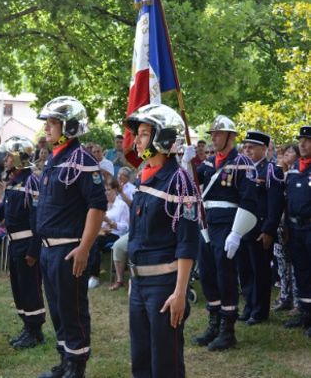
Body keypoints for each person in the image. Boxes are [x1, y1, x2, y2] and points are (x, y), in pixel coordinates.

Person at [124, 104, 199, 378]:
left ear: (162, 138)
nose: (137, 140)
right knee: (141, 358)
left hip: (164, 285)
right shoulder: (143, 177)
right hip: (140, 283)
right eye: (138, 134)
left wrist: (180, 293)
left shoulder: (180, 183)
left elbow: (188, 243)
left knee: (165, 362)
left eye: (144, 133)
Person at [36, 96, 107, 378]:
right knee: (57, 309)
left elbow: (97, 205)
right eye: (48, 123)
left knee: (73, 310)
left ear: (70, 126)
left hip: (68, 250)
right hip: (47, 250)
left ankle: (76, 368)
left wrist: (84, 247)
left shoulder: (82, 160)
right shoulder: (55, 158)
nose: (47, 128)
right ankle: (65, 361)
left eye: (53, 123)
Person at [184, 115, 257, 351]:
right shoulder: (208, 163)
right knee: (207, 273)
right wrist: (187, 165)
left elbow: (249, 201)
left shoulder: (243, 163)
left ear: (230, 137)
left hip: (227, 225)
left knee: (225, 275)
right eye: (212, 134)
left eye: (218, 133)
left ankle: (228, 330)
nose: (213, 138)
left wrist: (236, 233)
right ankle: (214, 323)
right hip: (206, 225)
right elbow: (192, 189)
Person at [0, 137, 46, 349]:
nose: (5, 159)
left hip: (27, 244)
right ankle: (27, 327)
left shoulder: (31, 182)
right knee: (19, 288)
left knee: (30, 288)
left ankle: (35, 330)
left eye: (8, 156)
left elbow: (37, 219)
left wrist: (33, 250)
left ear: (19, 158)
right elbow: (4, 211)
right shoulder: (14, 182)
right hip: (14, 244)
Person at [237, 131, 284, 325]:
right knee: (245, 271)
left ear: (264, 149)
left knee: (260, 271)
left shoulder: (272, 170)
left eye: (252, 147)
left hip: (259, 229)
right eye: (245, 147)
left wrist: (269, 230)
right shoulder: (240, 169)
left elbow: (275, 204)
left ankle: (260, 310)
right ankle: (249, 306)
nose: (247, 150)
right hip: (242, 228)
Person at [283, 126, 311, 337]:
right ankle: (305, 312)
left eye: (307, 140)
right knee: (301, 270)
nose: (302, 144)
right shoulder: (293, 170)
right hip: (295, 227)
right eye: (300, 140)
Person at [272, 144, 300, 311]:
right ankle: (284, 296)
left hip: (294, 223)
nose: (287, 154)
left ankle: (298, 299)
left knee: (296, 263)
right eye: (286, 152)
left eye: (291, 152)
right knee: (281, 261)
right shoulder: (280, 173)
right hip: (281, 223)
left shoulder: (297, 174)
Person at [87, 178, 129, 289]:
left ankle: (94, 276)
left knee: (94, 242)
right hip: (100, 233)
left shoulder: (121, 205)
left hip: (115, 235)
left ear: (115, 190)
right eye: (104, 190)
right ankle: (83, 272)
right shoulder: (101, 203)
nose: (106, 192)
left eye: (108, 189)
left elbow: (125, 227)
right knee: (85, 239)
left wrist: (110, 222)